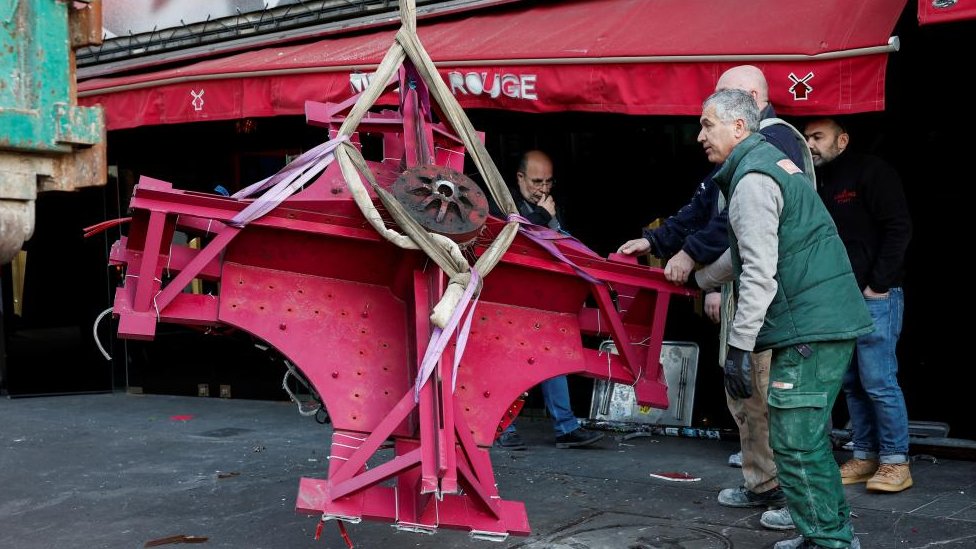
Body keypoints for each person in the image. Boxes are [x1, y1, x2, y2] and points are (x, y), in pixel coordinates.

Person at [617, 65, 812, 521]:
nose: (701, 131)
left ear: (746, 107)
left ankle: (797, 501)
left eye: (713, 114)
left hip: (777, 297)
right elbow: (705, 203)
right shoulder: (739, 155)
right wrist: (657, 241)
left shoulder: (773, 145)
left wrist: (690, 256)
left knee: (772, 396)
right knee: (745, 394)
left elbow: (738, 230)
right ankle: (763, 483)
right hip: (752, 289)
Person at [689, 88, 874, 549]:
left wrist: (738, 346)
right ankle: (827, 534)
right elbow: (747, 251)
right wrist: (700, 279)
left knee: (795, 441)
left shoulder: (752, 180)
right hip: (819, 322)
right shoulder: (767, 166)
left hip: (810, 326)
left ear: (738, 127)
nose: (700, 136)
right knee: (803, 439)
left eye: (707, 125)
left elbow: (758, 274)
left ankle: (830, 541)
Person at [804, 118, 913, 492]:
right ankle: (865, 456)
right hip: (838, 298)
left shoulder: (873, 172)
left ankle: (896, 461)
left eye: (818, 137)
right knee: (851, 381)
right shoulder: (816, 180)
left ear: (843, 140)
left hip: (875, 296)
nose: (810, 144)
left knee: (878, 380)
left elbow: (899, 228)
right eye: (806, 137)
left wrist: (878, 284)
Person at [491, 150, 604, 450]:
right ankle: (502, 427)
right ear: (520, 178)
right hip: (504, 297)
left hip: (542, 296)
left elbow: (563, 244)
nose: (543, 188)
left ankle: (565, 427)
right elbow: (509, 237)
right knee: (506, 359)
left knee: (554, 354)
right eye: (536, 181)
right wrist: (543, 216)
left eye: (548, 182)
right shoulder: (499, 200)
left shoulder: (551, 204)